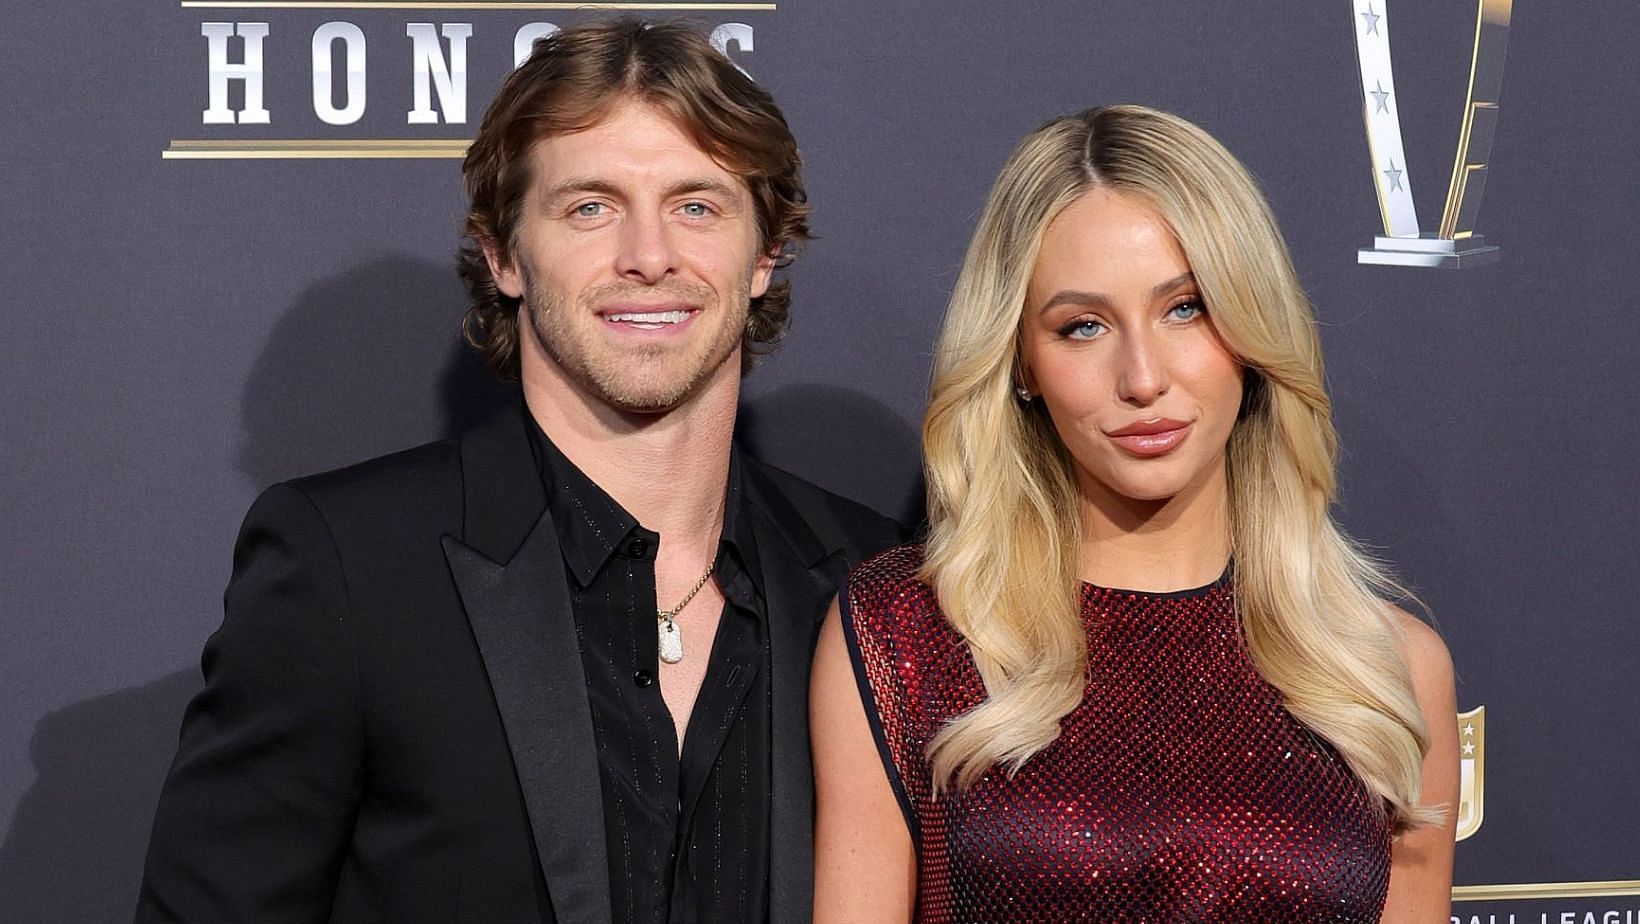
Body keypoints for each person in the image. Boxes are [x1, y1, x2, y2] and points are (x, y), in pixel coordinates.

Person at [136, 19, 901, 924]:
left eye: (698, 205)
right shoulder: (349, 566)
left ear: (765, 254)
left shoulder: (873, 580)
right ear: (503, 254)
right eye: (590, 207)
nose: (649, 256)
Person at [811, 105, 1458, 923]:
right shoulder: (910, 632)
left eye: (1185, 308)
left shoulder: (1385, 668)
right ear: (1021, 366)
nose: (1142, 377)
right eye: (1082, 327)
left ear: (1253, 333)